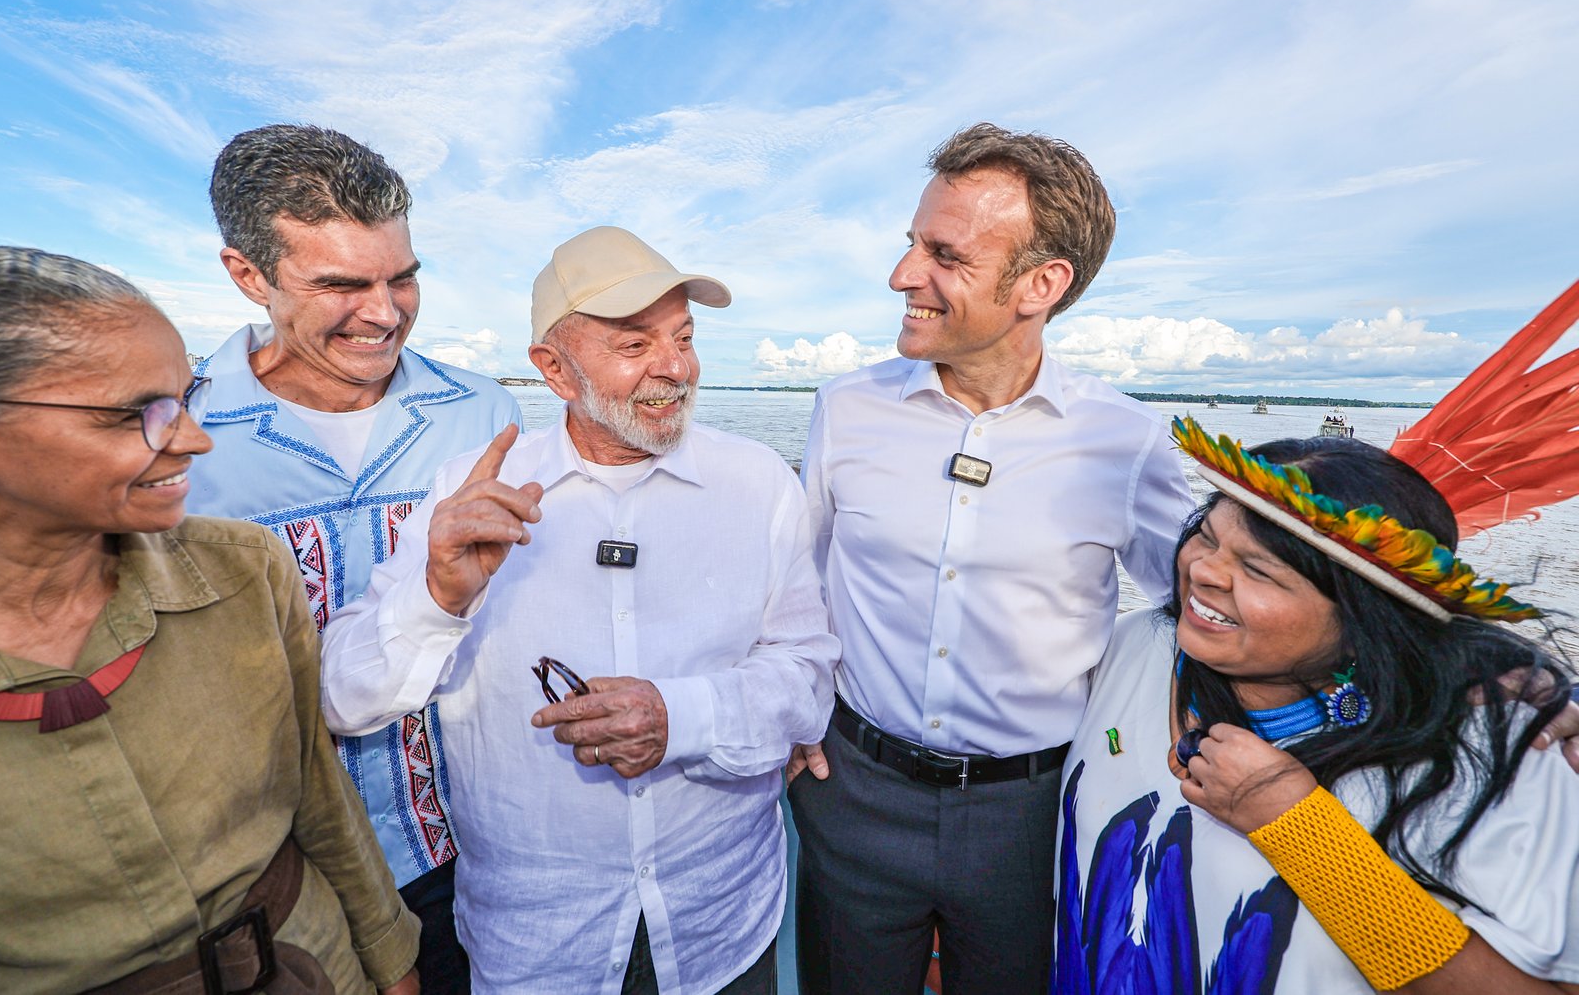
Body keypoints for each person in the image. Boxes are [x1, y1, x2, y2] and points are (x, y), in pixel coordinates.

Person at [321, 225, 839, 993]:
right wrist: (439, 597)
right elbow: (342, 697)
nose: (675, 368)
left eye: (684, 336)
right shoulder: (469, 493)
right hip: (537, 943)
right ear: (554, 371)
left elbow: (806, 677)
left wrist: (682, 717)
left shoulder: (760, 483)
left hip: (720, 928)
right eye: (635, 345)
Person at [787, 123, 1196, 993]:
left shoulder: (1123, 442)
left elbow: (1211, 610)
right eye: (910, 245)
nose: (903, 276)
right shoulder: (844, 409)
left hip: (1035, 818)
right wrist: (784, 716)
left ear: (1041, 285)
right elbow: (792, 588)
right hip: (850, 792)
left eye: (944, 255)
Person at [0, 246, 419, 993]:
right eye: (132, 415)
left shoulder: (246, 570)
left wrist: (392, 968)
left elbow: (320, 794)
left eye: (186, 396)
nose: (192, 438)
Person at [1055, 415, 1579, 991]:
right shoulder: (1131, 647)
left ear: (1362, 616)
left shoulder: (1498, 753)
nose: (1203, 570)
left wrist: (1298, 825)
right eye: (1206, 535)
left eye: (1257, 569)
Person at [188, 123, 521, 991]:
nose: (384, 312)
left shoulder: (483, 413)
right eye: (341, 283)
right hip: (270, 883)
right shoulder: (175, 439)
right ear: (247, 274)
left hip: (472, 855)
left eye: (402, 277)